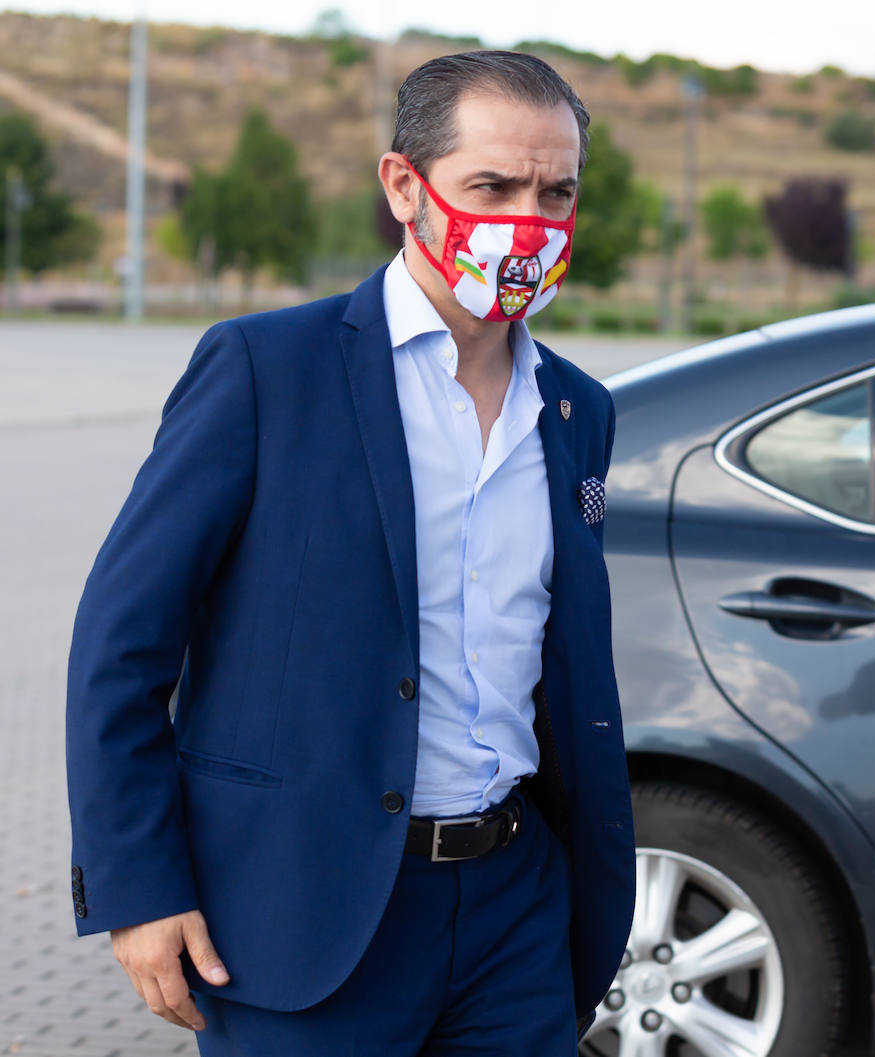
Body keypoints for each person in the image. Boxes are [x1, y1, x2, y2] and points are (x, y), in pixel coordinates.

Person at [65, 51, 634, 1056]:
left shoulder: (578, 409)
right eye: (492, 187)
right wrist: (138, 886)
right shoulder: (264, 370)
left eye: (558, 192)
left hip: (514, 913)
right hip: (304, 915)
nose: (530, 221)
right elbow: (122, 643)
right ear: (404, 187)